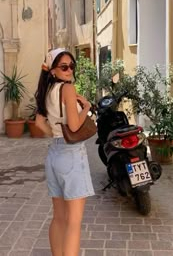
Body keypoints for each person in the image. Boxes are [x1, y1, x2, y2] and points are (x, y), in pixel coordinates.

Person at [35, 48, 94, 256]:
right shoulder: (67, 89)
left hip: (54, 154)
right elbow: (76, 126)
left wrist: (55, 132)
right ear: (52, 70)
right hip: (71, 155)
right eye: (63, 66)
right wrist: (86, 107)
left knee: (59, 218)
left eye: (71, 66)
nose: (69, 70)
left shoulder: (47, 91)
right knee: (74, 223)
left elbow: (39, 122)